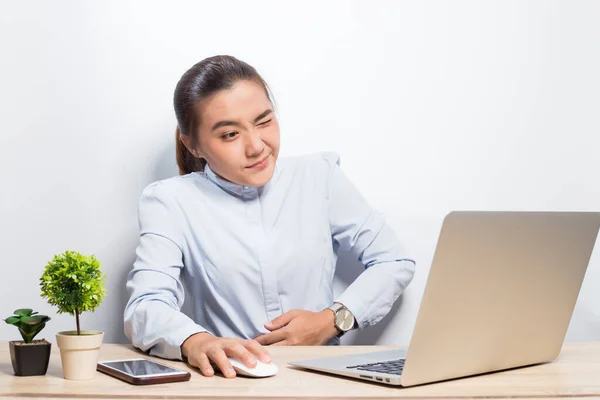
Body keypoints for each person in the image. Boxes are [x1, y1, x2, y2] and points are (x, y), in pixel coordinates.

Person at [124, 55, 416, 379]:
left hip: (325, 382)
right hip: (231, 384)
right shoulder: (170, 202)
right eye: (230, 135)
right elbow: (145, 306)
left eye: (264, 122)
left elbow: (394, 262)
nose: (256, 147)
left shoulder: (319, 176)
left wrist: (332, 320)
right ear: (193, 146)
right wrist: (195, 340)